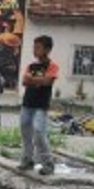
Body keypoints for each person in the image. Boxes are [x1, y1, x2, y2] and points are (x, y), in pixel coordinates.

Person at [19, 35, 59, 175]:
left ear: (47, 49)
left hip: (41, 105)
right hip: (27, 103)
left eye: (38, 48)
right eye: (34, 47)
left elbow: (48, 82)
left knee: (38, 132)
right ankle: (27, 159)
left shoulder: (53, 66)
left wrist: (33, 80)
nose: (35, 50)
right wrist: (38, 80)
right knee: (25, 131)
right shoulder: (31, 66)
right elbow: (24, 81)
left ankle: (48, 163)